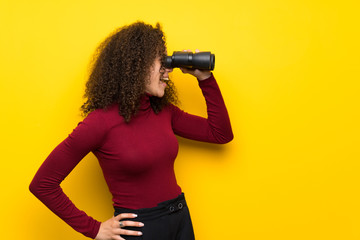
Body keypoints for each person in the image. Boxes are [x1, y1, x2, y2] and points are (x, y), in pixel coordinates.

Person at [29, 21, 233, 240]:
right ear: (136, 66)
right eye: (161, 62)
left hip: (180, 218)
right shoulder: (100, 123)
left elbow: (220, 133)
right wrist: (94, 229)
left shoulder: (163, 111)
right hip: (140, 229)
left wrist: (205, 79)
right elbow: (43, 184)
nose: (168, 70)